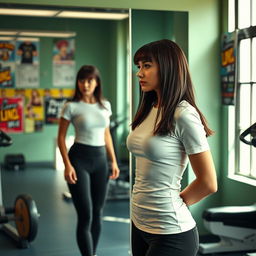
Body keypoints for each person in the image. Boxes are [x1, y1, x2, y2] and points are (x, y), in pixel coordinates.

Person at [126, 39, 218, 256]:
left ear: (168, 67)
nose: (139, 73)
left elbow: (208, 182)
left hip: (171, 231)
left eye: (147, 66)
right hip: (139, 223)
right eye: (139, 66)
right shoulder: (150, 108)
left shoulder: (183, 114)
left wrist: (174, 203)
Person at [57, 65, 120, 256]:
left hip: (101, 161)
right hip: (79, 160)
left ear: (96, 82)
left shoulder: (105, 105)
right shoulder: (71, 106)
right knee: (85, 215)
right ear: (78, 82)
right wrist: (67, 165)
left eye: (90, 80)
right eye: (82, 80)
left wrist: (114, 161)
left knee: (98, 214)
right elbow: (61, 137)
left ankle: (92, 252)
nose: (86, 85)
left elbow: (106, 134)